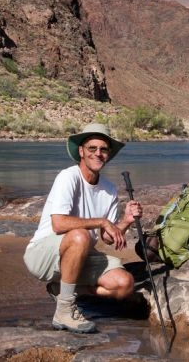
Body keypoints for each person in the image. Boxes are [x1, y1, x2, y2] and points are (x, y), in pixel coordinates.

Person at [23, 123, 143, 333]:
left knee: (124, 284)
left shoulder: (109, 189)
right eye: (92, 148)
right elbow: (58, 224)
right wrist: (100, 221)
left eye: (103, 149)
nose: (98, 154)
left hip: (81, 252)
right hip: (43, 255)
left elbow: (107, 238)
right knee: (80, 236)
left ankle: (63, 290)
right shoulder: (68, 177)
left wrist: (125, 221)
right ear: (81, 151)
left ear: (108, 154)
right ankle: (64, 310)